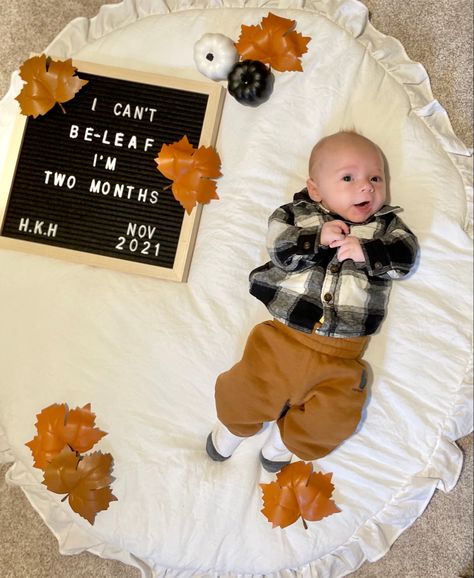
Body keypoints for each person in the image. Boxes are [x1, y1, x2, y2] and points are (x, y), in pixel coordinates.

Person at [206, 130, 419, 472]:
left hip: (343, 356)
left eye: (375, 178)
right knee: (247, 388)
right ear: (316, 188)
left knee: (336, 415)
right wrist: (315, 239)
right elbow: (279, 248)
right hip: (283, 339)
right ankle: (233, 426)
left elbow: (405, 258)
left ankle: (289, 440)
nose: (366, 187)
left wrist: (369, 252)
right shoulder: (298, 215)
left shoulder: (385, 228)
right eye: (348, 177)